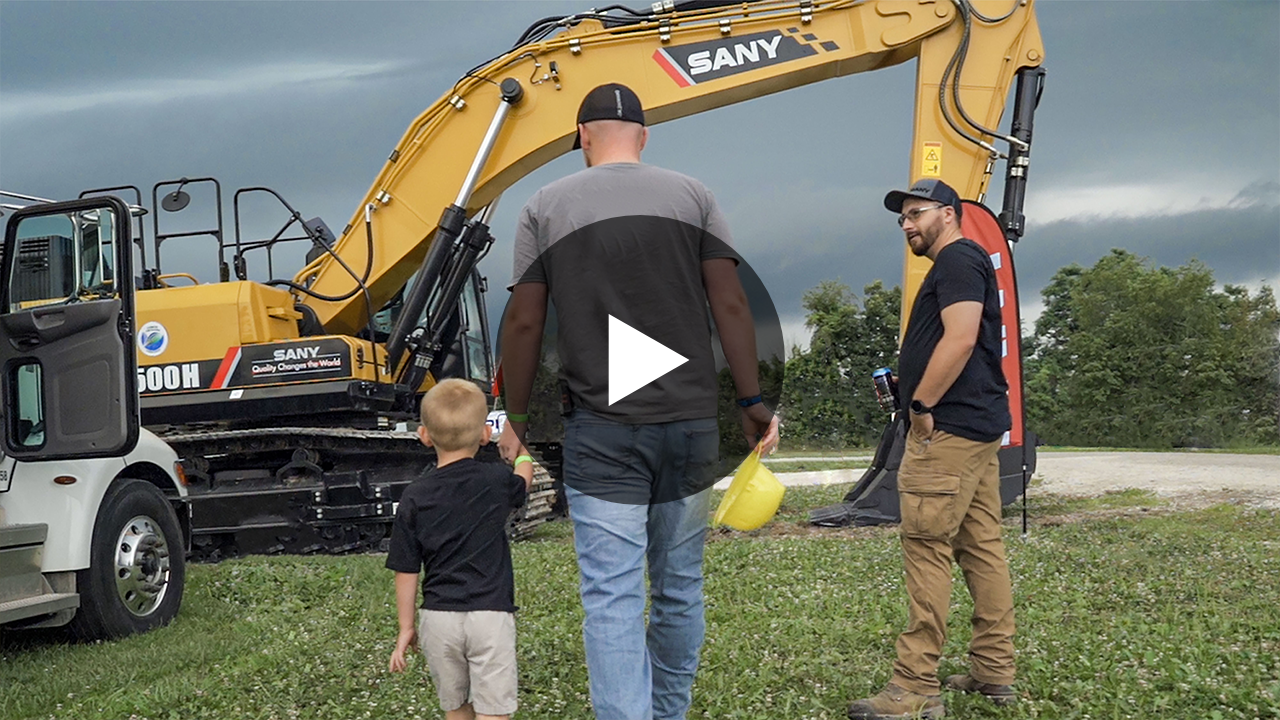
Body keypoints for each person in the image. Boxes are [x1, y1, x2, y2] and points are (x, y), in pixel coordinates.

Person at [498, 83, 779, 720]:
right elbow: (731, 303)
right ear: (644, 137)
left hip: (601, 430)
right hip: (690, 425)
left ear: (581, 137)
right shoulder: (694, 196)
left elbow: (524, 322)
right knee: (679, 586)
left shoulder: (544, 206)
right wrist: (751, 399)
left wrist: (516, 417)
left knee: (612, 596)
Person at [846, 179, 1016, 720]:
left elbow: (960, 337)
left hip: (947, 432)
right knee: (981, 546)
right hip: (977, 427)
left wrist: (921, 404)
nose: (907, 225)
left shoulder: (957, 260)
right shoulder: (963, 262)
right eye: (902, 218)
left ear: (948, 213)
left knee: (926, 548)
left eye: (916, 213)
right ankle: (993, 670)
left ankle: (914, 686)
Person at [387, 378, 535, 720]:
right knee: (493, 710)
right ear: (485, 434)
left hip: (439, 619)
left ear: (424, 435)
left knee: (455, 707)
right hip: (490, 616)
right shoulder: (496, 480)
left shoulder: (415, 495)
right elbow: (524, 480)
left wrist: (406, 627)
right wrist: (522, 452)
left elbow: (405, 568)